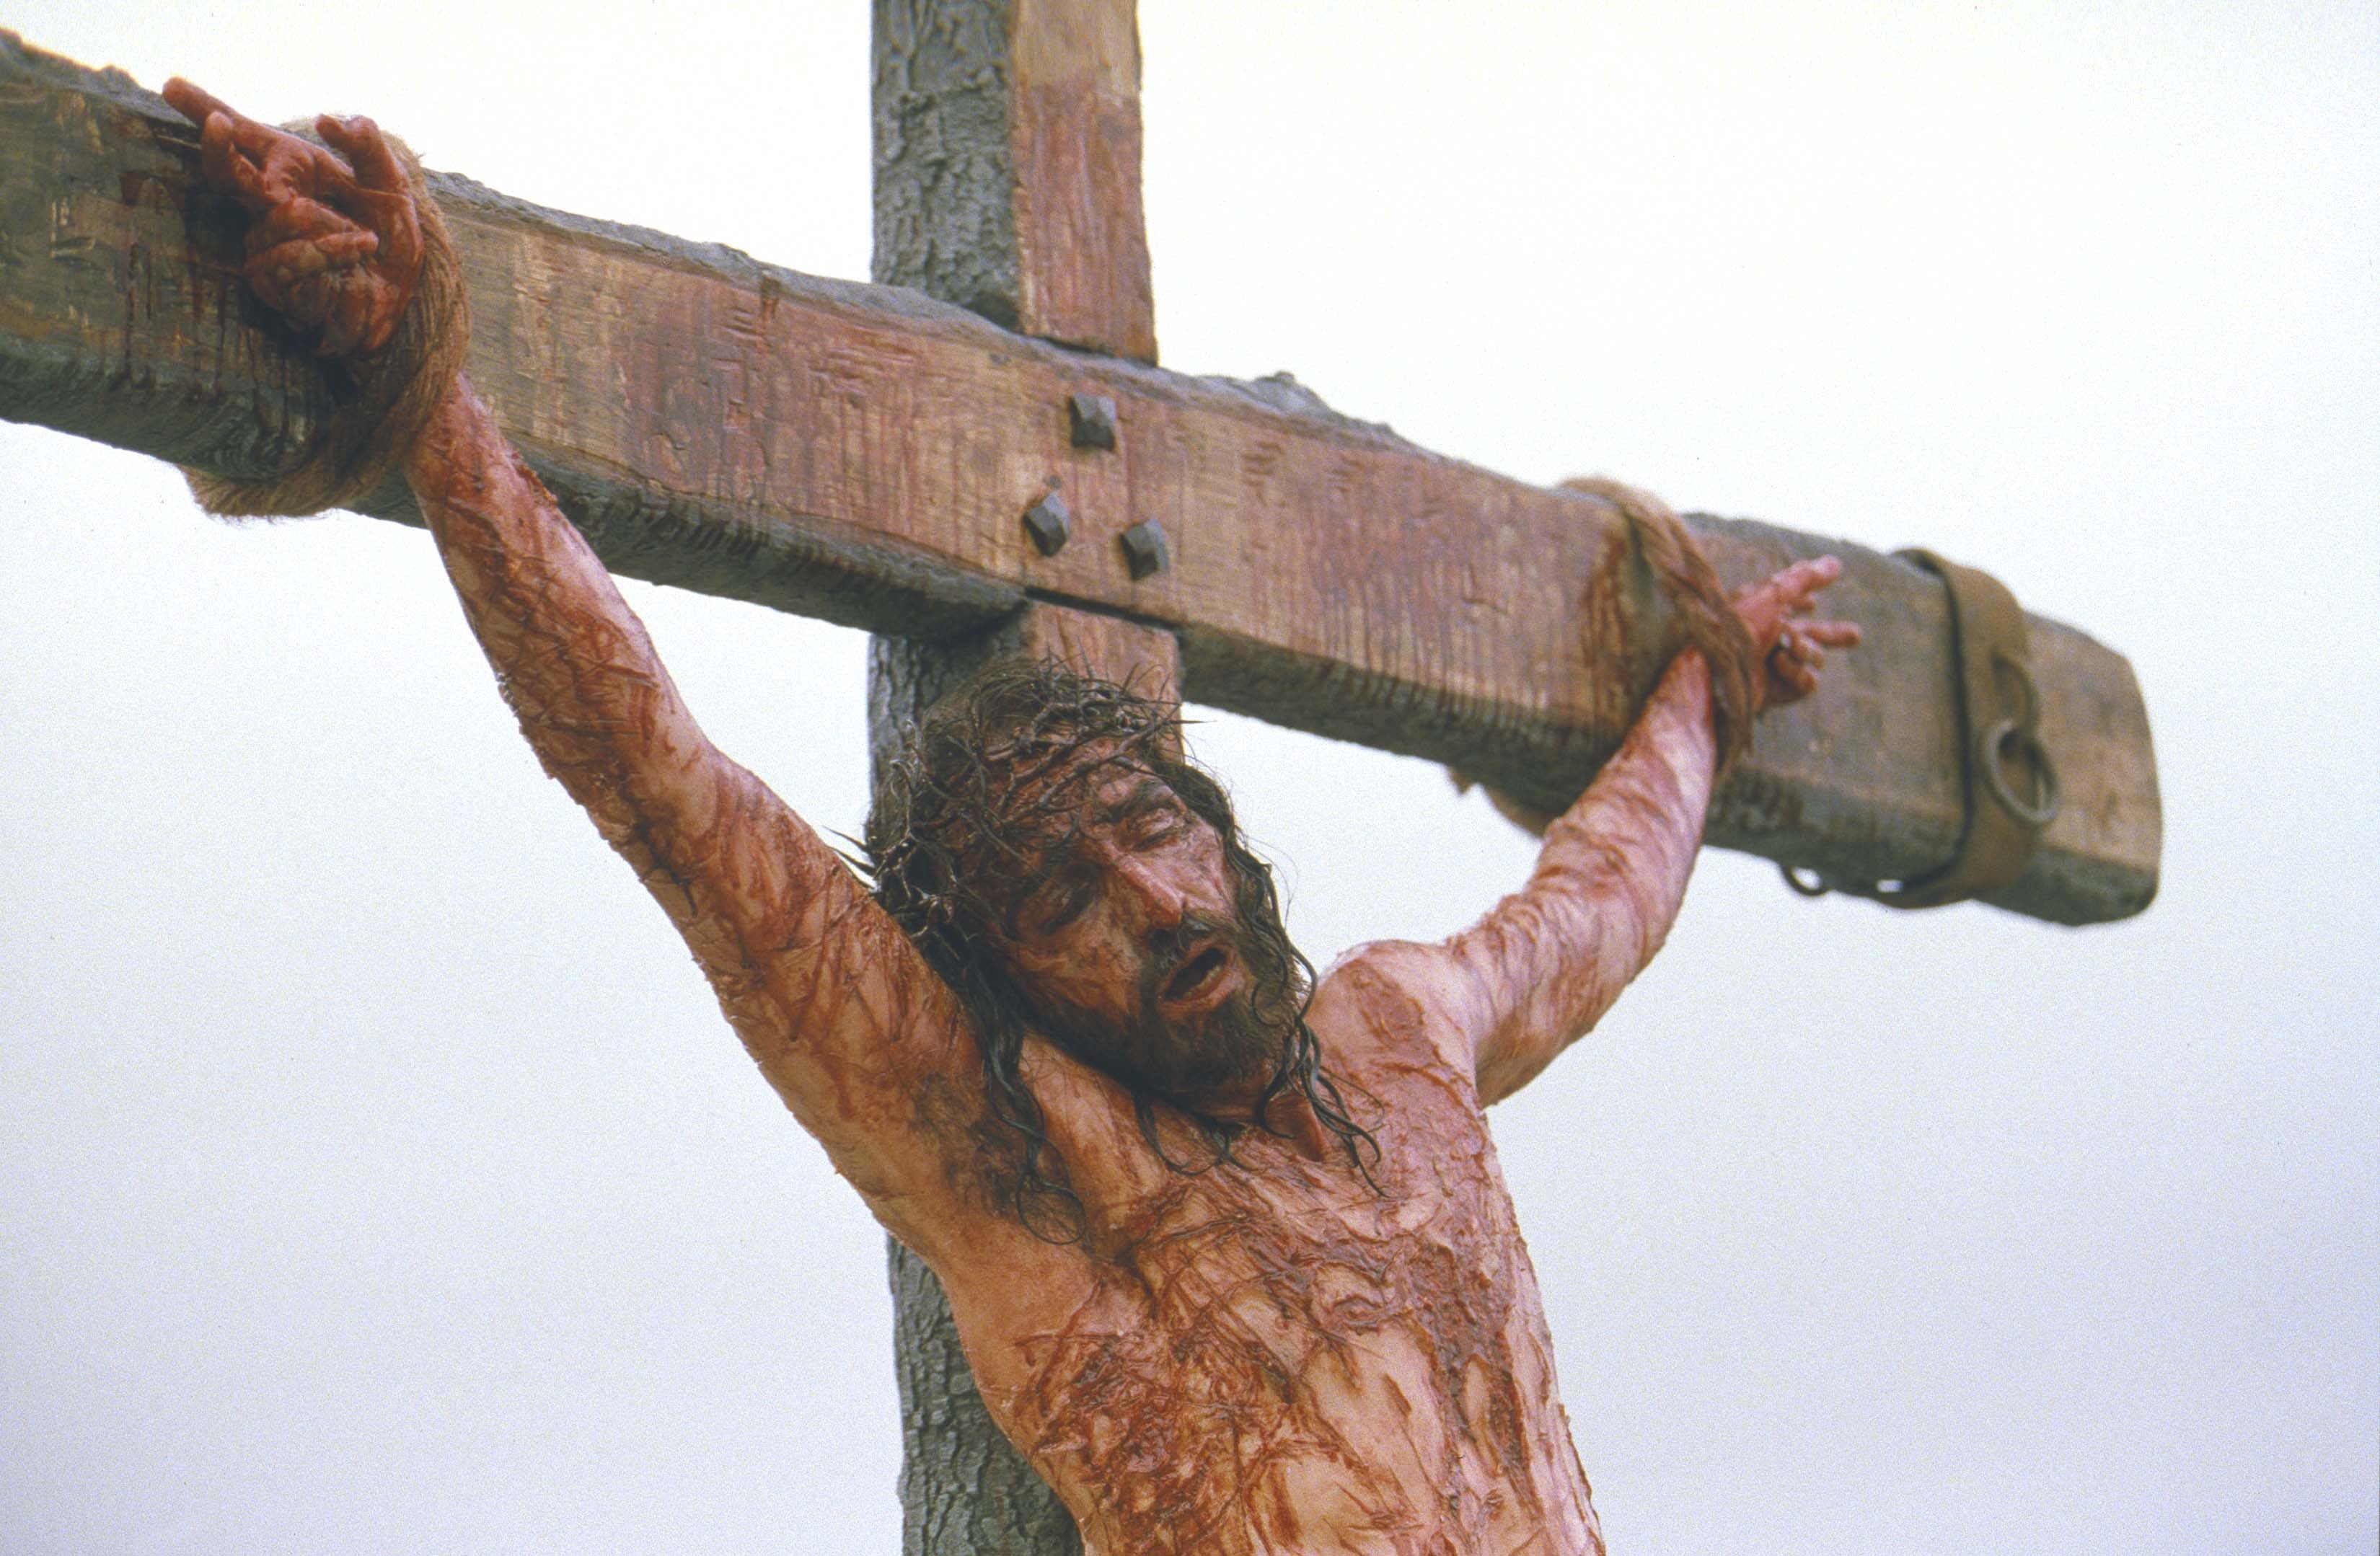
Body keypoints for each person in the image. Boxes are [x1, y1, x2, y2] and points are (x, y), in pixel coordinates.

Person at [159, 81, 1860, 1556]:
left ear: (1220, 829)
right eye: (1062, 899)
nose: (1146, 897)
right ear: (1015, 978)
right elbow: (666, 788)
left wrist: (1711, 686)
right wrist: (427, 390)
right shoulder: (1023, 1168)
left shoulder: (1406, 1028)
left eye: (1146, 827)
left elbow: (1601, 898)